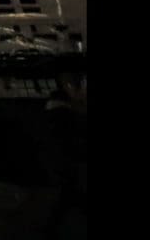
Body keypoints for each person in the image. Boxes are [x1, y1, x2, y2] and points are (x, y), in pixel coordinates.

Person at [41, 89, 86, 239]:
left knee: (69, 193)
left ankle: (50, 228)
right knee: (69, 193)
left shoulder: (48, 115)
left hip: (55, 159)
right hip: (66, 159)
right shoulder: (67, 115)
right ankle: (49, 228)